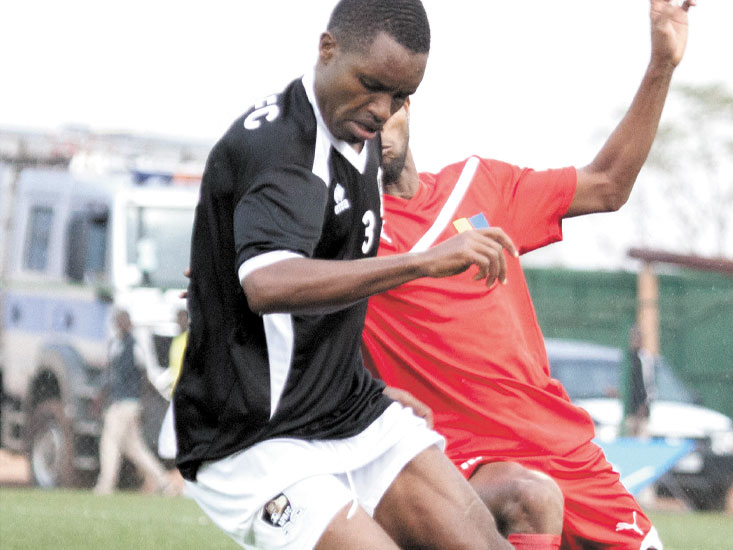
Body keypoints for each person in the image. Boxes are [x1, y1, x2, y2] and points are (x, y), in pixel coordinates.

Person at [171, 1, 520, 549]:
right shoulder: (281, 149)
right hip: (251, 439)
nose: (383, 109)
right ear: (327, 49)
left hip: (347, 411)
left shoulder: (358, 139)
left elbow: (321, 298)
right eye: (372, 84)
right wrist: (422, 262)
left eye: (401, 97)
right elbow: (268, 286)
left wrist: (366, 383)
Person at [361, 1, 695, 549]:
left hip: (564, 447)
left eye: (388, 100)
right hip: (460, 463)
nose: (375, 120)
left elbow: (608, 184)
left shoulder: (481, 183)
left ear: (408, 104)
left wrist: (661, 63)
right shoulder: (344, 233)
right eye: (359, 106)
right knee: (529, 495)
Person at [94, 309, 174, 495]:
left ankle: (106, 484)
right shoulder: (117, 344)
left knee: (110, 442)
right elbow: (112, 376)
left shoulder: (133, 345)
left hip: (127, 402)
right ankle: (165, 483)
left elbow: (143, 376)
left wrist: (142, 402)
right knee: (135, 448)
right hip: (119, 400)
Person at [624, 325, 654, 438]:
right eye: (633, 338)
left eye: (639, 338)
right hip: (628, 410)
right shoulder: (625, 358)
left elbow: (649, 383)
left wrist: (645, 404)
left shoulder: (645, 358)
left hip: (641, 408)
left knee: (642, 440)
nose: (636, 341)